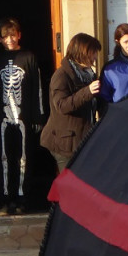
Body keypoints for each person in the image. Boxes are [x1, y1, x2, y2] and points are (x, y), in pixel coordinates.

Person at [0, 18, 44, 216]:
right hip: (3, 117)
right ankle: (4, 200)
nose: (10, 39)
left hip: (24, 116)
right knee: (4, 158)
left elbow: (37, 87)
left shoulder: (29, 57)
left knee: (23, 158)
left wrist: (38, 115)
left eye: (13, 35)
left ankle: (22, 199)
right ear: (0, 39)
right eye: (5, 36)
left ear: (19, 35)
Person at [41, 32, 102, 172]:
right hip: (65, 143)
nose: (95, 58)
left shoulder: (88, 74)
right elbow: (62, 105)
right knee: (70, 185)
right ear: (82, 52)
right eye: (92, 53)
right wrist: (87, 92)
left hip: (82, 140)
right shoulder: (61, 75)